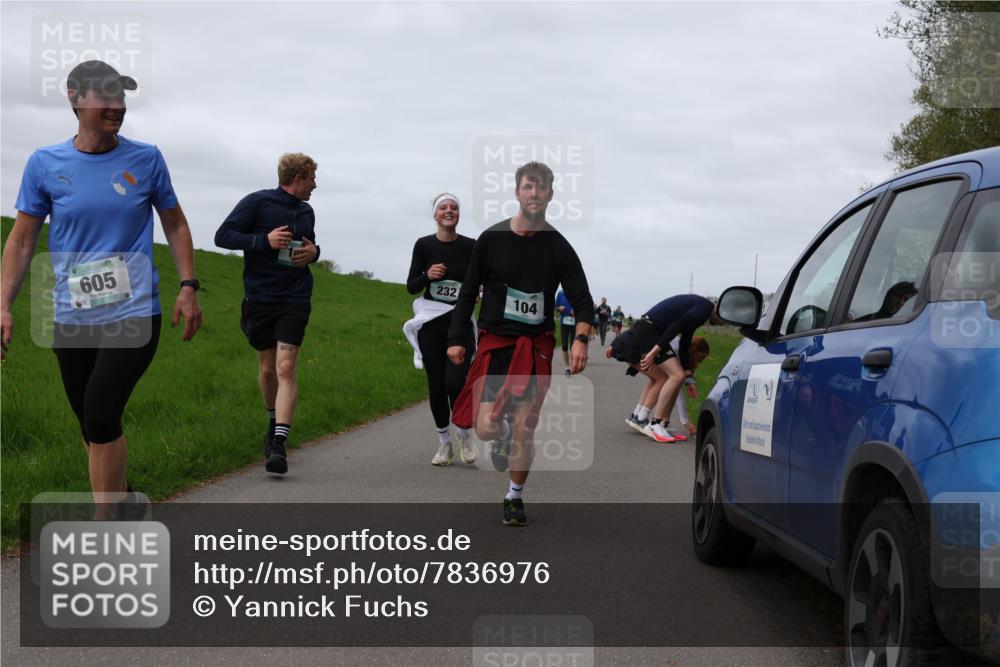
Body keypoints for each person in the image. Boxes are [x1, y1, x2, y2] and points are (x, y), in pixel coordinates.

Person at [1, 60, 203, 517]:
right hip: (72, 311)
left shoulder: (146, 159)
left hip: (134, 309)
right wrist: (3, 305)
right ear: (75, 98)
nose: (117, 107)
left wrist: (188, 285)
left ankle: (104, 524)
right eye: (106, 97)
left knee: (100, 411)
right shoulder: (45, 163)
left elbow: (175, 225)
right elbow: (23, 239)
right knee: (90, 422)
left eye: (122, 97)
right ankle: (124, 498)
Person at [447, 161, 593, 526]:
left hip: (535, 344)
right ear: (517, 192)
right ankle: (502, 435)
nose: (534, 193)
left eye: (541, 187)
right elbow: (467, 293)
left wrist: (580, 339)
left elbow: (583, 300)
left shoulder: (559, 247)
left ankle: (514, 497)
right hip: (496, 341)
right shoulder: (491, 240)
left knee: (525, 425)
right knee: (486, 427)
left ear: (551, 194)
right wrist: (457, 338)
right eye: (528, 186)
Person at [214, 153, 321, 475]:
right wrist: (264, 240)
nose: (315, 185)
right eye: (312, 178)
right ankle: (272, 422)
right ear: (298, 178)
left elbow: (310, 246)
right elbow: (223, 236)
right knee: (267, 370)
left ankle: (278, 444)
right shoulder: (257, 202)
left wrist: (315, 253)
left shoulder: (307, 211)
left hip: (295, 297)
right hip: (260, 298)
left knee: (285, 367)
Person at [403, 193, 477, 466]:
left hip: (459, 322)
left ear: (458, 214)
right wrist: (427, 276)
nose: (449, 211)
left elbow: (481, 279)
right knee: (436, 385)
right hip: (432, 322)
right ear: (435, 215)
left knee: (455, 382)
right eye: (443, 208)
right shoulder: (424, 245)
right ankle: (444, 444)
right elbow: (411, 285)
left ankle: (463, 433)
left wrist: (477, 291)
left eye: (453, 208)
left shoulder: (471, 246)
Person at [607, 294, 721, 443]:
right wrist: (653, 353)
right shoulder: (704, 308)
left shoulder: (700, 309)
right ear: (719, 310)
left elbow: (685, 342)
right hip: (650, 330)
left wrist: (689, 373)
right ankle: (655, 424)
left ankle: (650, 420)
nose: (723, 324)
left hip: (649, 329)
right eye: (725, 319)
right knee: (675, 376)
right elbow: (676, 326)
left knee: (674, 376)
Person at [554, 288, 574, 376]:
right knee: (564, 346)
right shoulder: (560, 293)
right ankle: (567, 368)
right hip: (564, 322)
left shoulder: (577, 292)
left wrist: (576, 312)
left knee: (573, 346)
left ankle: (573, 366)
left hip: (575, 323)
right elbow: (556, 307)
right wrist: (559, 308)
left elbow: (582, 308)